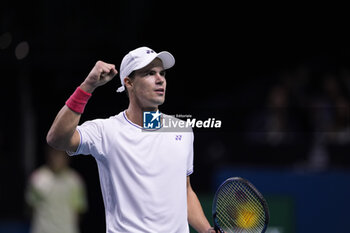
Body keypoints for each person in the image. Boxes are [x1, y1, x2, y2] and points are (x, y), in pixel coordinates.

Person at [46, 46, 215, 233]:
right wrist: (88, 85)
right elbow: (56, 139)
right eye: (150, 73)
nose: (160, 79)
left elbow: (185, 191)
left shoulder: (182, 130)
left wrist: (207, 230)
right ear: (129, 82)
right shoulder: (106, 131)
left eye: (162, 73)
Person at [26, 146, 88, 233]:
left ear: (67, 157)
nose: (57, 158)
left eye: (61, 154)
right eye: (54, 154)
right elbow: (30, 208)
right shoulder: (37, 178)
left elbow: (79, 211)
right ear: (48, 155)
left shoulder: (75, 181)